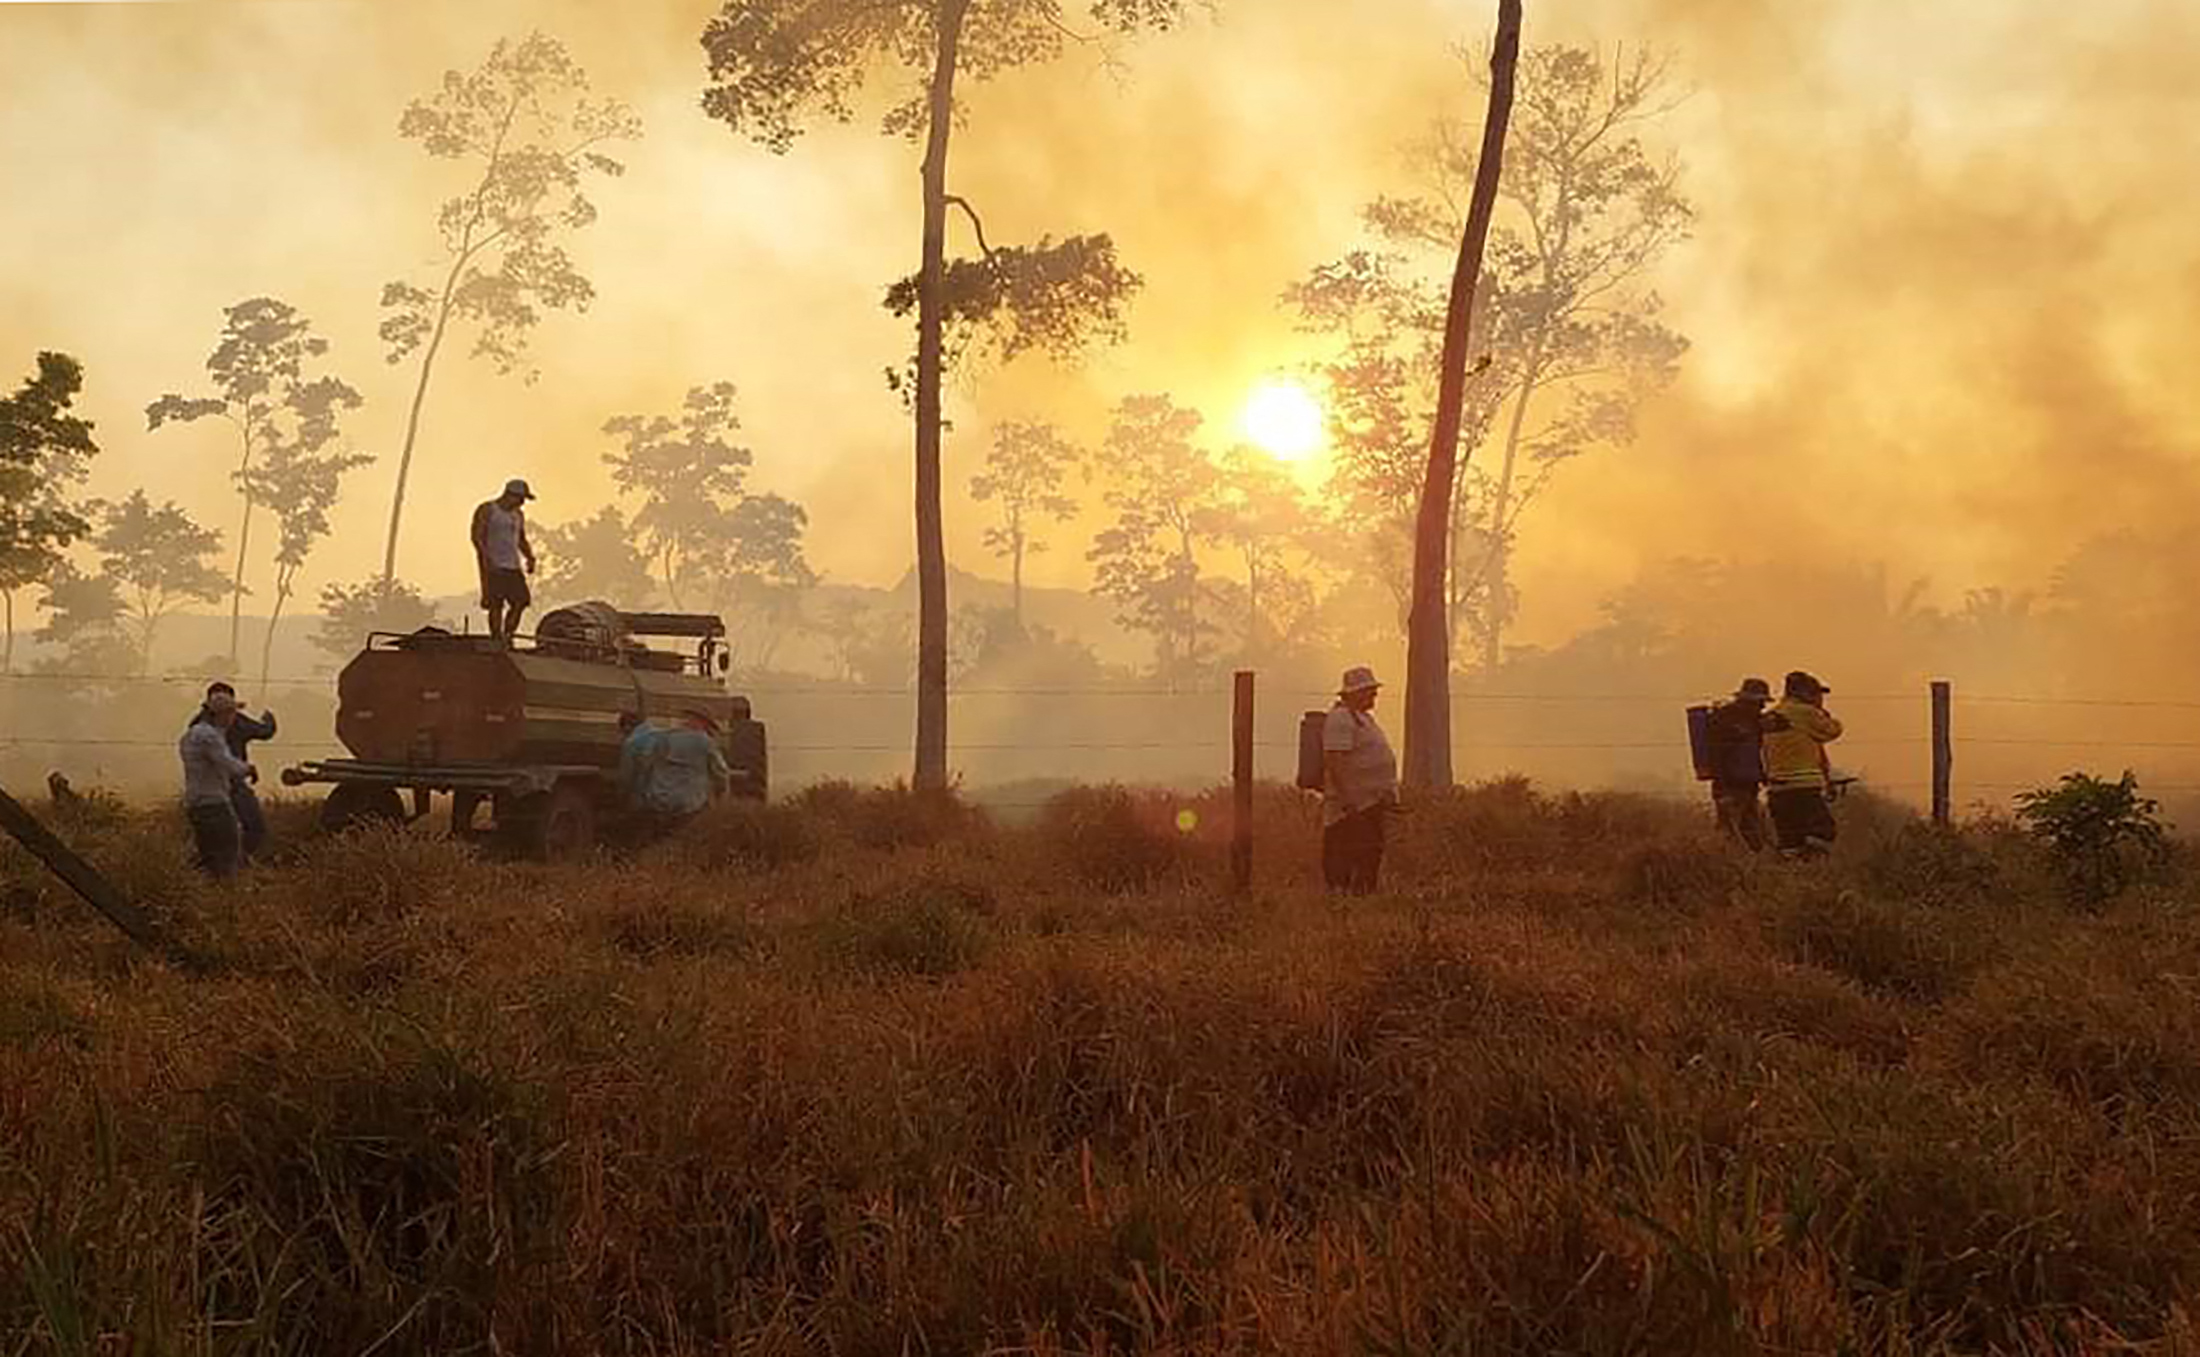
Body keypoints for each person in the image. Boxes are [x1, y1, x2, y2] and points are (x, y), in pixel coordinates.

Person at [1321, 666, 1398, 895]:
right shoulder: (1340, 719)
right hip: (1351, 807)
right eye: (1369, 691)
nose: (1374, 696)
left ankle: (1361, 899)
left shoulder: (1362, 719)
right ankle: (1344, 900)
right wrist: (1349, 799)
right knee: (1347, 854)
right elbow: (1335, 762)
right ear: (1355, 693)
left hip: (1369, 803)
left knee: (1369, 853)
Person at [189, 681, 276, 862]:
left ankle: (211, 872)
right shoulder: (225, 727)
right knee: (252, 827)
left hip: (200, 792)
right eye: (230, 711)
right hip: (228, 787)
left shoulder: (195, 726)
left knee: (212, 840)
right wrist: (269, 718)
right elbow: (265, 732)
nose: (232, 717)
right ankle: (238, 864)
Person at [1763, 670, 1844, 857]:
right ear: (1803, 693)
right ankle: (1814, 870)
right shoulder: (1805, 713)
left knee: (1789, 842)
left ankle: (1791, 878)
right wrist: (1822, 713)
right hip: (1803, 787)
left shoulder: (1770, 715)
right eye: (1815, 693)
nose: (1819, 698)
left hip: (1776, 789)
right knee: (1824, 833)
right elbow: (1833, 730)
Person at [180, 690, 256, 879]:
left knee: (207, 854)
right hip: (214, 802)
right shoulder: (211, 737)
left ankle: (202, 891)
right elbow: (227, 763)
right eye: (231, 713)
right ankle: (225, 894)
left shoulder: (191, 735)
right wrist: (249, 769)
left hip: (194, 803)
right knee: (228, 851)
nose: (234, 718)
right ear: (221, 715)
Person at [627, 708, 729, 832]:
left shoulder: (664, 737)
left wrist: (641, 794)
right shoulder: (706, 743)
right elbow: (721, 773)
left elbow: (646, 764)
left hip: (659, 800)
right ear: (702, 722)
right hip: (690, 805)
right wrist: (722, 797)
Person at [1704, 677, 1774, 851]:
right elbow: (1724, 755)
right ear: (1750, 701)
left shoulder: (1741, 720)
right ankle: (1729, 865)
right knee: (1731, 831)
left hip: (1742, 784)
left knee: (1746, 830)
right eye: (1760, 702)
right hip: (1732, 784)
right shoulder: (1733, 722)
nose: (1763, 706)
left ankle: (1748, 865)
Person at [470, 478, 537, 642]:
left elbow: (521, 539)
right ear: (510, 495)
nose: (522, 503)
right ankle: (496, 638)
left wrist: (529, 557)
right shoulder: (488, 509)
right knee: (495, 604)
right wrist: (485, 557)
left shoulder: (518, 515)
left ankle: (508, 635)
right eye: (520, 499)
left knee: (520, 601)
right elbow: (477, 536)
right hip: (493, 563)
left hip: (513, 565)